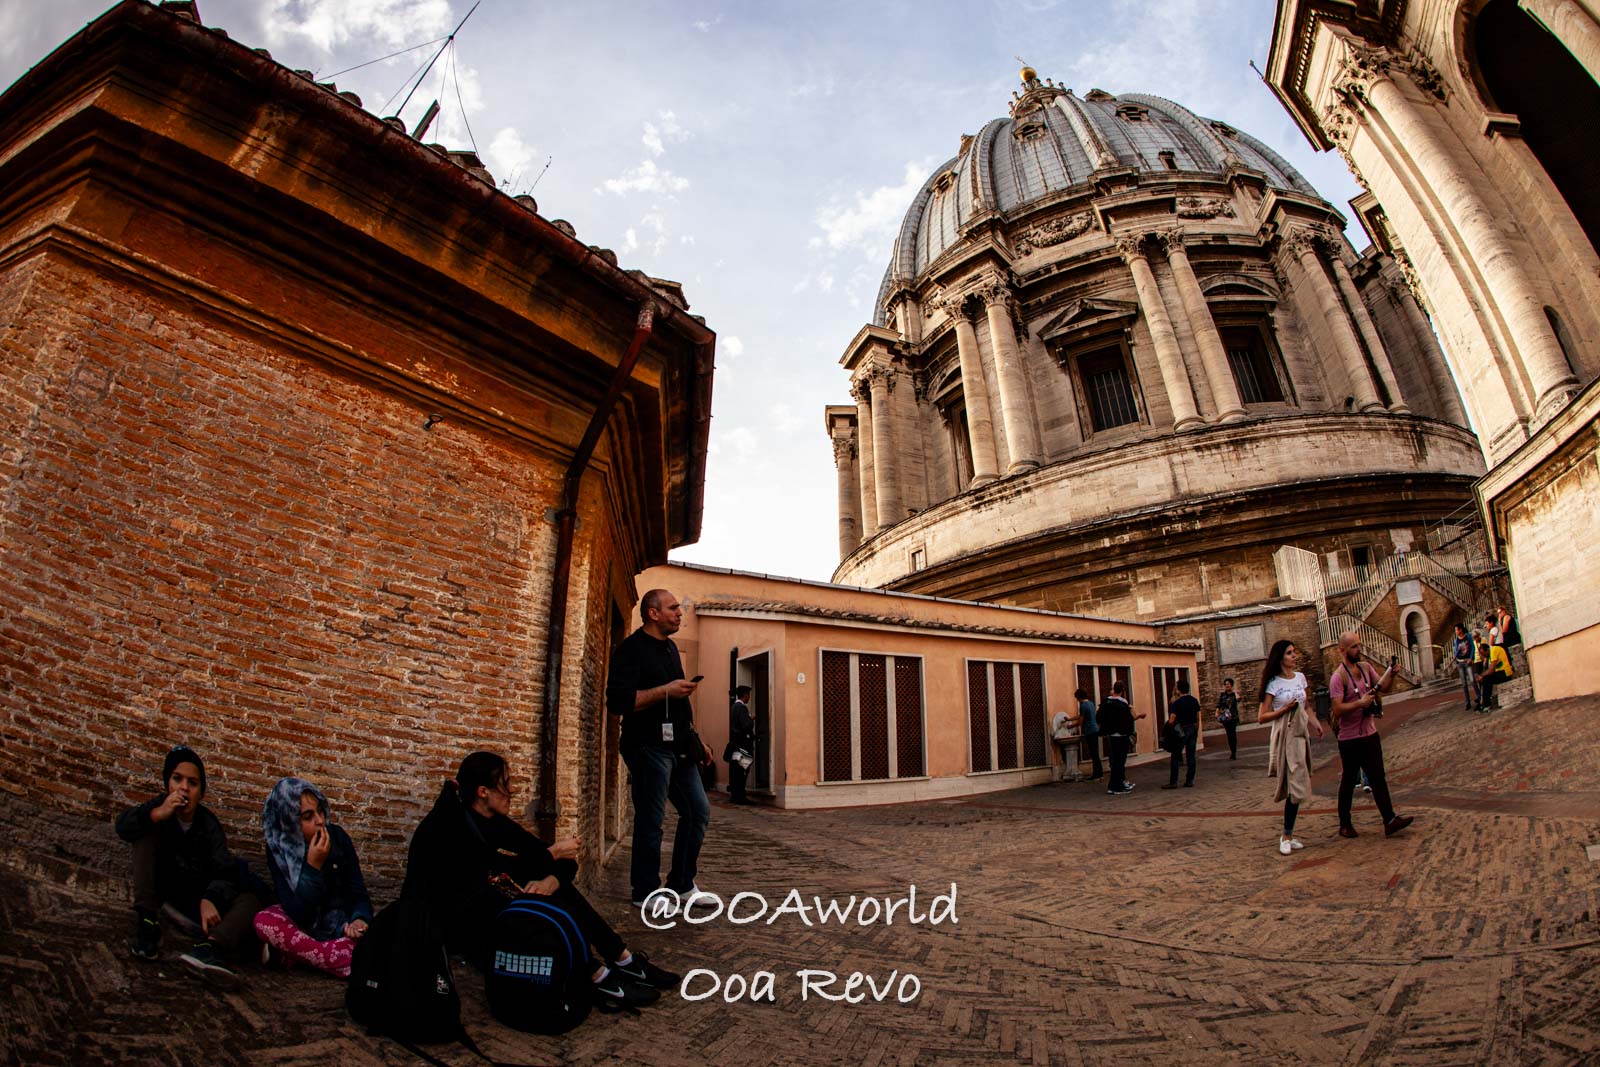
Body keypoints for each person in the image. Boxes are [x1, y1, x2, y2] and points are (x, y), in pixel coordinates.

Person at [402, 752, 676, 1009]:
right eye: (505, 785)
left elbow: (561, 861)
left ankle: (623, 959)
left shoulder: (495, 820)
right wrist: (550, 856)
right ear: (483, 792)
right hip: (455, 924)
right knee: (533, 908)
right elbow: (490, 869)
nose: (512, 792)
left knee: (552, 888)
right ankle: (597, 976)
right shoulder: (447, 825)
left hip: (484, 905)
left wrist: (552, 880)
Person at [115, 745, 263, 989]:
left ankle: (209, 948)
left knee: (250, 899)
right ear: (168, 784)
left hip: (198, 904)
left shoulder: (208, 824)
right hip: (166, 895)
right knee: (144, 833)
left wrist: (210, 898)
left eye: (192, 783)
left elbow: (224, 869)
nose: (184, 787)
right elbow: (122, 827)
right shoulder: (159, 808)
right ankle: (148, 923)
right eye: (177, 779)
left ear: (200, 792)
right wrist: (156, 814)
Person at [605, 589, 713, 906]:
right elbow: (618, 702)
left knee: (698, 812)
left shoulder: (670, 648)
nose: (680, 613)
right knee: (651, 821)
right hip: (647, 747)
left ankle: (681, 884)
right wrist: (665, 690)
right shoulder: (631, 650)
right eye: (673, 608)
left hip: (680, 747)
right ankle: (646, 892)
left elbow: (678, 705)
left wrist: (696, 739)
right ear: (653, 614)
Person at [253, 777, 372, 978]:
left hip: (338, 926)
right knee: (264, 920)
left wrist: (359, 919)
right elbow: (298, 913)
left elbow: (359, 894)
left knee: (371, 942)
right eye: (307, 816)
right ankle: (332, 958)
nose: (320, 820)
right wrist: (312, 867)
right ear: (288, 822)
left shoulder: (338, 838)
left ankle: (293, 956)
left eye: (320, 811)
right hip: (301, 925)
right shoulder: (279, 849)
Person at [1328, 632, 1413, 839]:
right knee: (1349, 780)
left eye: (1359, 645)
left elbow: (1382, 687)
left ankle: (1389, 820)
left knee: (1378, 778)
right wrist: (1359, 703)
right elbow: (1337, 709)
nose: (1359, 649)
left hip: (1369, 733)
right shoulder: (1338, 678)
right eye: (1354, 647)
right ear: (1343, 650)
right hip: (1349, 739)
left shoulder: (1366, 668)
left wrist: (1391, 674)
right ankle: (1345, 824)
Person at [1259, 641, 1324, 855]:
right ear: (1280, 658)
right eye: (1289, 653)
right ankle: (1286, 836)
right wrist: (1283, 709)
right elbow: (1262, 716)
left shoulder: (1300, 678)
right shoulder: (1273, 684)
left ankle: (1288, 833)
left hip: (1300, 734)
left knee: (1297, 783)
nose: (1294, 656)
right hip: (1285, 734)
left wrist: (1315, 724)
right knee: (1294, 784)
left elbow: (1307, 705)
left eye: (1294, 652)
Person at [1097, 681, 1145, 796]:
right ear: (1123, 691)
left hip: (1110, 735)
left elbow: (1098, 717)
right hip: (1121, 736)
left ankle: (1114, 785)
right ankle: (1116, 786)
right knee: (1119, 762)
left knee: (1115, 762)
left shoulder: (1105, 703)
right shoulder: (1123, 705)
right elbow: (1128, 720)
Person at [1161, 679, 1201, 789]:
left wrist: (1168, 726)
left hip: (1181, 730)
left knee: (1175, 755)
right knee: (1191, 755)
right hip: (1193, 727)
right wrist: (1196, 729)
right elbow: (1197, 717)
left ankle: (1173, 782)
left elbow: (1172, 719)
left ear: (1178, 690)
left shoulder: (1177, 703)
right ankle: (1189, 780)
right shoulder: (1194, 700)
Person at [725, 685, 758, 805]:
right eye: (748, 695)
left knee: (736, 771)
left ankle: (735, 796)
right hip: (743, 746)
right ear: (745, 695)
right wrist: (751, 719)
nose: (749, 697)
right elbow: (746, 726)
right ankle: (740, 796)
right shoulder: (742, 708)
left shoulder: (733, 707)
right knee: (742, 771)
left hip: (735, 746)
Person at [1475, 640, 1514, 712]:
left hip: (1505, 673)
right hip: (1500, 672)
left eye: (1484, 654)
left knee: (1486, 679)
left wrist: (1482, 676)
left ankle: (1486, 704)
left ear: (1487, 649)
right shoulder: (1491, 654)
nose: (1484, 656)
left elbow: (1491, 670)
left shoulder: (1494, 651)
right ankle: (1483, 702)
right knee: (1485, 680)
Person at [1076, 688, 1103, 780]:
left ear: (1079, 697)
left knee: (1093, 753)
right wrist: (1069, 719)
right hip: (1095, 729)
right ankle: (1100, 772)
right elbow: (1081, 715)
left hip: (1089, 731)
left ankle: (1096, 774)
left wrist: (1070, 726)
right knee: (1096, 752)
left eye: (1077, 698)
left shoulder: (1083, 705)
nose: (1077, 700)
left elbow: (1080, 721)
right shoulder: (1091, 703)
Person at [1451, 624, 1475, 711]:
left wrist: (1471, 658)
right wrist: (1457, 651)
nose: (1456, 632)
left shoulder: (1467, 636)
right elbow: (1456, 652)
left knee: (1472, 680)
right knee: (1464, 683)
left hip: (1467, 660)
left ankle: (1479, 697)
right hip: (1460, 662)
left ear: (1461, 630)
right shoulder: (1456, 640)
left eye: (1457, 630)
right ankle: (1467, 702)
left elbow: (1472, 647)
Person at [1216, 678, 1241, 759]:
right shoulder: (1223, 695)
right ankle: (1232, 751)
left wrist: (1235, 692)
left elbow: (1238, 699)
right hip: (1225, 717)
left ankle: (1234, 752)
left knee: (1232, 734)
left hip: (1233, 717)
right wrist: (1216, 712)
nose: (1226, 685)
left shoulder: (1234, 694)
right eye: (1225, 684)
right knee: (1229, 734)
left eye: (1228, 684)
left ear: (1231, 685)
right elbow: (1219, 704)